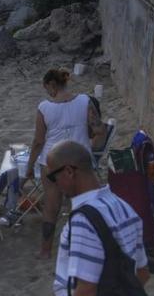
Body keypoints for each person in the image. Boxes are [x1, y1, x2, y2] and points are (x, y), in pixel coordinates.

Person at [49, 140, 150, 296]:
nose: (54, 184)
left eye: (53, 177)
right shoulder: (124, 207)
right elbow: (142, 273)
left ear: (69, 171)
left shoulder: (83, 221)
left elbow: (87, 290)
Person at [26, 68, 105, 259]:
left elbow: (38, 141)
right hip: (79, 159)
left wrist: (30, 165)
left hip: (52, 161)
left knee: (51, 206)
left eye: (48, 89)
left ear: (52, 85)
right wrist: (89, 148)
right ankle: (82, 248)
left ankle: (45, 250)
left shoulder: (44, 107)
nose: (48, 94)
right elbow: (99, 131)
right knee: (81, 206)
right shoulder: (86, 101)